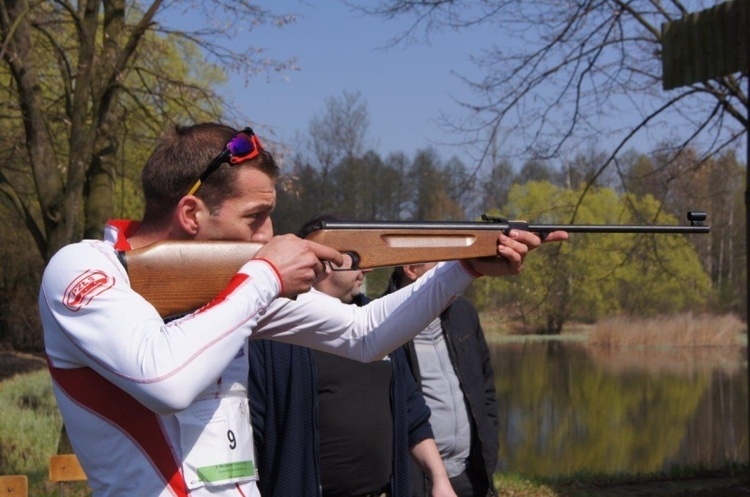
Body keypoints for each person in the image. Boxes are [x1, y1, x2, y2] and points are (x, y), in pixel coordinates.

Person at [40, 122, 566, 497]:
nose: (269, 235)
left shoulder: (234, 288)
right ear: (192, 214)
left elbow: (366, 333)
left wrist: (463, 268)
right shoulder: (84, 270)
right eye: (257, 217)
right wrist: (265, 276)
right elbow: (163, 379)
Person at [248, 216, 455, 497]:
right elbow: (254, 432)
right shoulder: (277, 333)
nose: (366, 267)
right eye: (354, 257)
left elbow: (411, 410)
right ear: (323, 259)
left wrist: (439, 478)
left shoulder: (382, 323)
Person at [384, 263, 499, 497]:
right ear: (410, 268)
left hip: (472, 473)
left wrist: (489, 444)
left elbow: (485, 387)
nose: (450, 268)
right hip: (417, 480)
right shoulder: (381, 321)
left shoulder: (464, 312)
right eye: (439, 263)